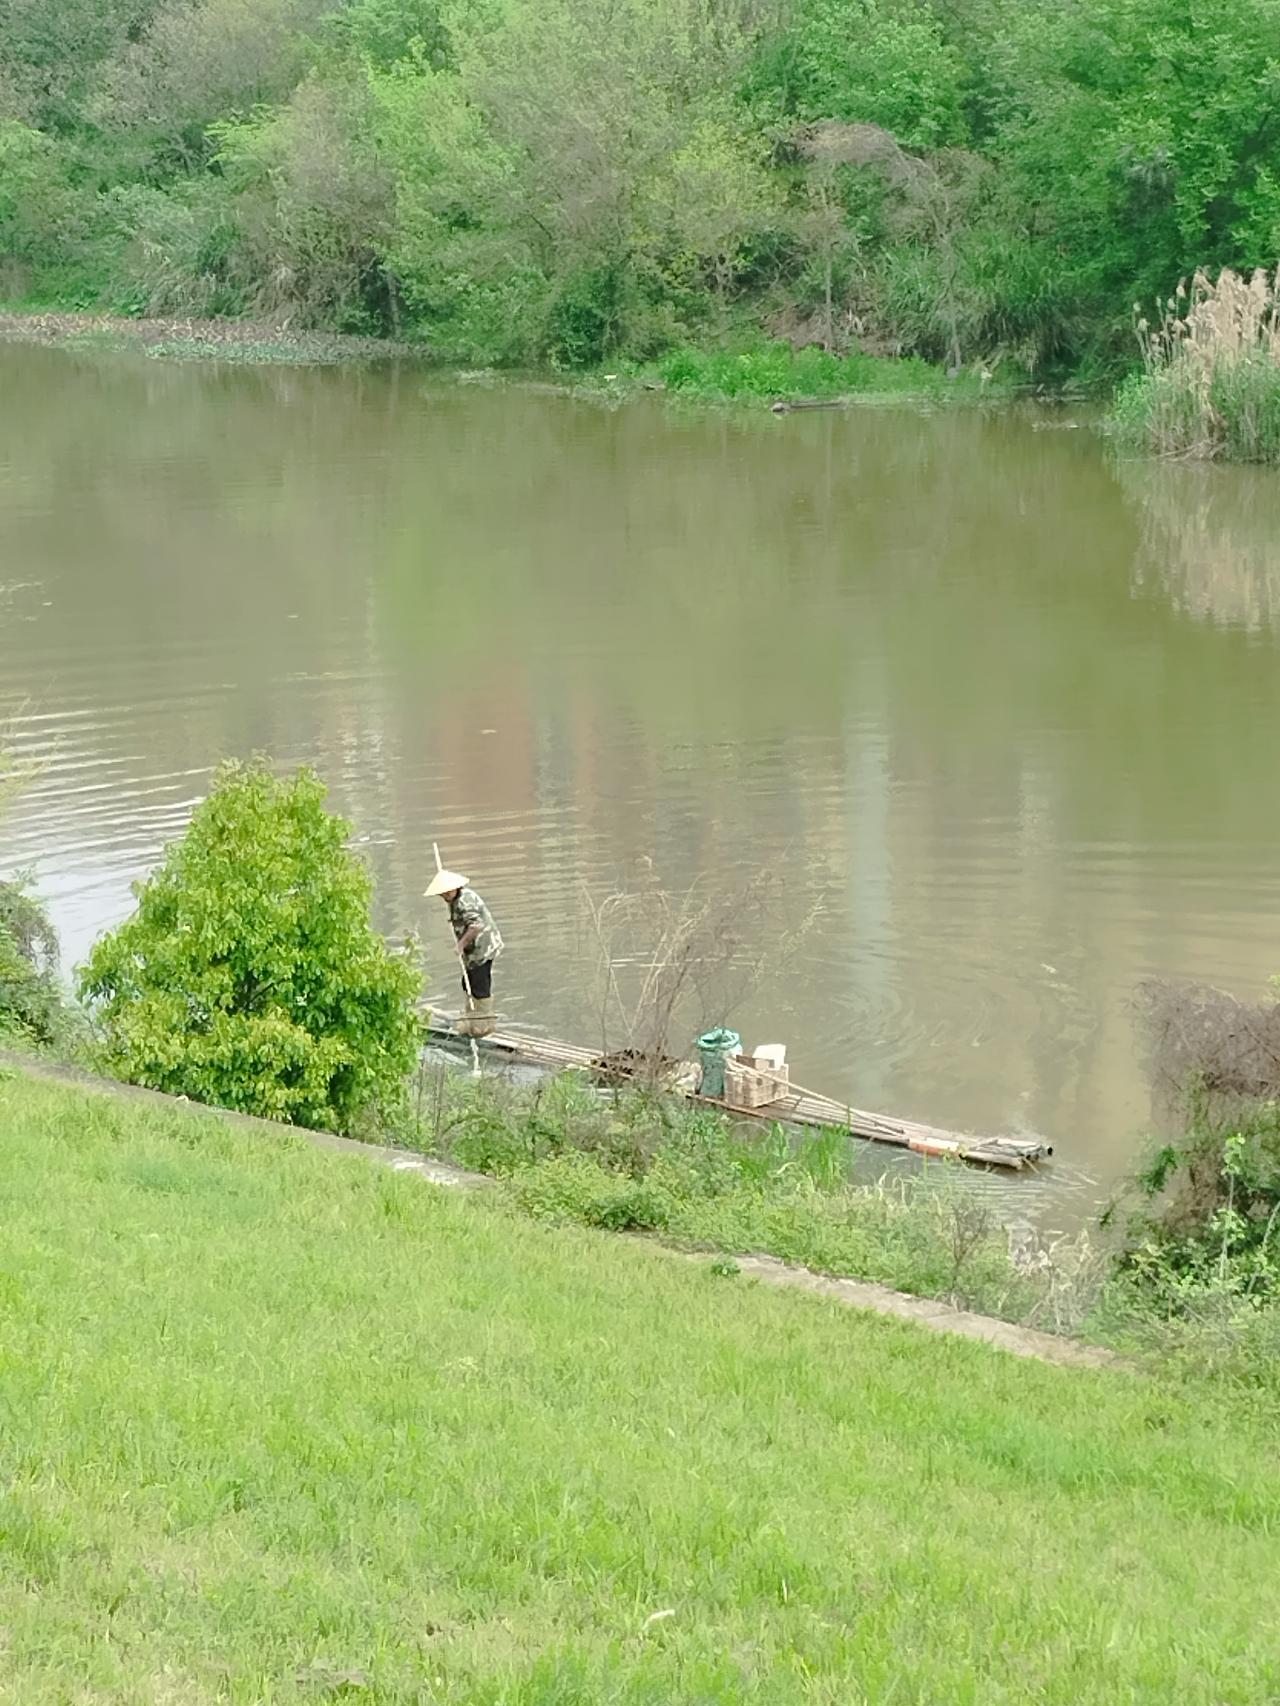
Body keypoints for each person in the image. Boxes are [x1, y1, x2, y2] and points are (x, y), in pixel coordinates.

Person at [423, 868, 504, 1036]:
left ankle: (482, 1026)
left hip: (482, 948)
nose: (444, 896)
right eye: (442, 894)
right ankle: (471, 1019)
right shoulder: (454, 901)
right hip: (472, 950)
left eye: (446, 892)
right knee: (467, 982)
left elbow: (476, 926)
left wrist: (461, 944)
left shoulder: (464, 901)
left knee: (479, 985)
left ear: (454, 888)